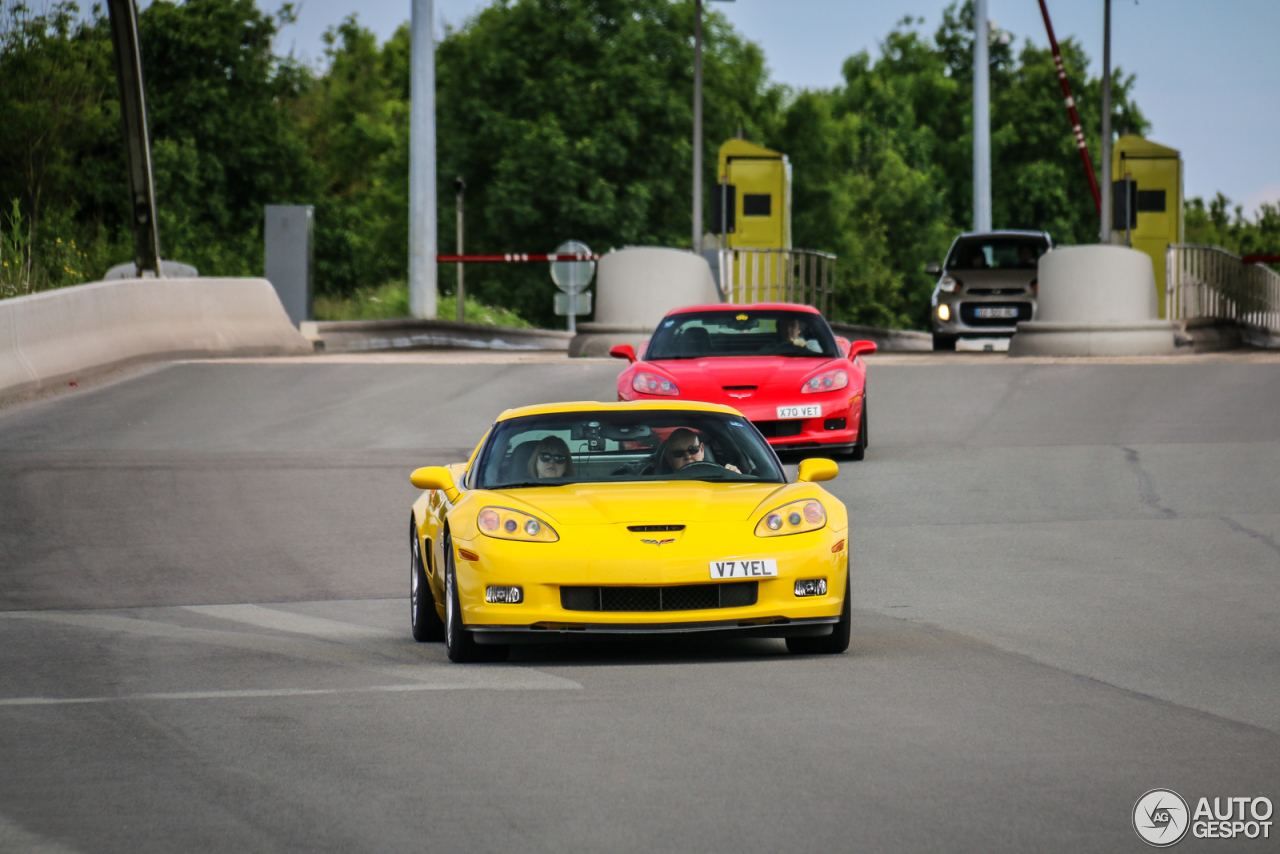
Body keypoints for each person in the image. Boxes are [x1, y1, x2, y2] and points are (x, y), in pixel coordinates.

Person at [658, 428, 740, 474]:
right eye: (679, 453)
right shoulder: (658, 487)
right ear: (668, 458)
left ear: (702, 449)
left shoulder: (721, 477)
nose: (688, 456)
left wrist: (735, 478)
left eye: (693, 450)